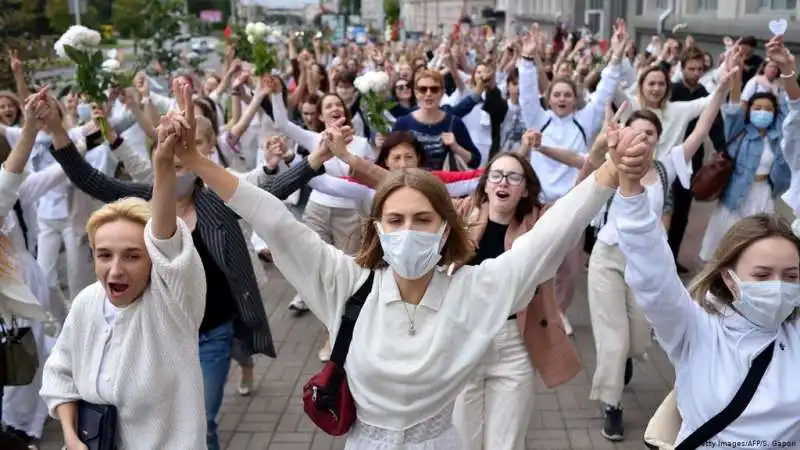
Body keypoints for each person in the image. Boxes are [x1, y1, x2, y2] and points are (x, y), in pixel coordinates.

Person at [171, 100, 645, 447]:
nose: (408, 232)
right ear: (377, 228)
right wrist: (196, 163)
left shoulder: (476, 289)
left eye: (422, 220)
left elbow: (550, 237)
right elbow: (272, 217)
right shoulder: (345, 282)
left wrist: (607, 173)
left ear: (446, 229)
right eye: (395, 221)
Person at [612, 127, 800, 446]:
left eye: (792, 276)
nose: (778, 286)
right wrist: (631, 189)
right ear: (729, 278)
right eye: (762, 274)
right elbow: (653, 275)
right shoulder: (695, 330)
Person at [40, 104, 208, 449]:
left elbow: (167, 241)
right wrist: (71, 437)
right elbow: (60, 373)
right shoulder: (87, 302)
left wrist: (163, 167)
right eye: (104, 255)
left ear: (154, 261)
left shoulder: (172, 306)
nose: (115, 270)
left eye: (132, 256)